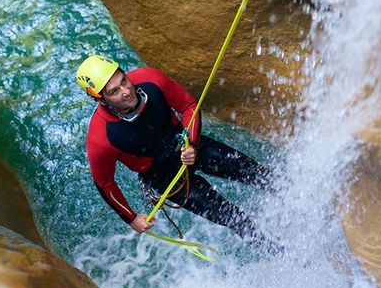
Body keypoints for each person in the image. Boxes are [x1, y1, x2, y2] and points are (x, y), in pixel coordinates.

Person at [76, 54, 273, 246]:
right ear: (101, 100)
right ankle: (280, 251)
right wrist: (131, 218)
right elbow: (105, 184)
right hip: (164, 176)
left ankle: (298, 196)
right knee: (231, 217)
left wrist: (191, 143)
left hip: (185, 143)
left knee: (255, 173)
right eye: (114, 92)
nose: (126, 91)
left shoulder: (150, 79)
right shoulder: (101, 138)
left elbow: (189, 105)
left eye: (124, 81)